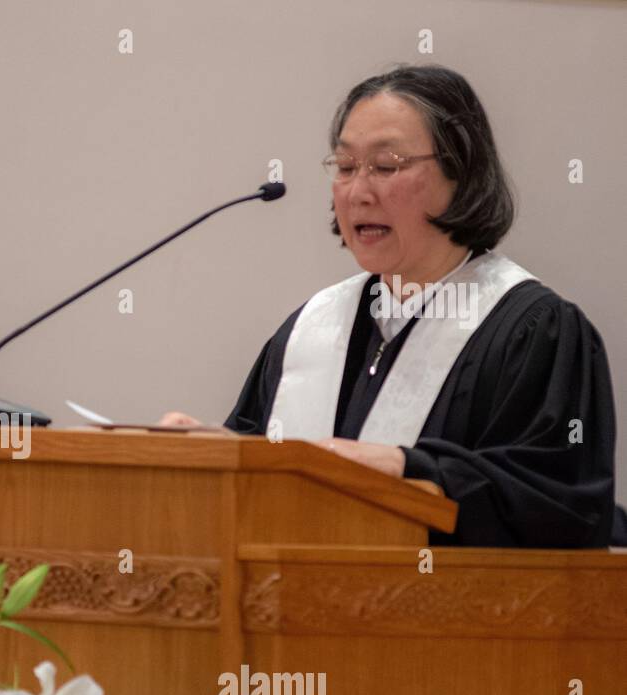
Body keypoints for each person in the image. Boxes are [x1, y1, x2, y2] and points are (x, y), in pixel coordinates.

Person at [163, 65, 615, 547]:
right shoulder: (310, 330)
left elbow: (560, 505)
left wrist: (406, 467)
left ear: (460, 173)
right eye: (344, 167)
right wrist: (220, 454)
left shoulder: (533, 332)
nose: (358, 192)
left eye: (386, 166)